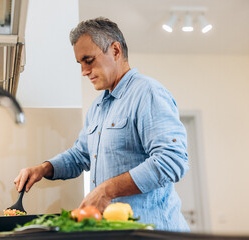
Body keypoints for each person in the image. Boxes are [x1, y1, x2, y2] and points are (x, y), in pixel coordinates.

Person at [14, 17, 189, 231]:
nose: (84, 71)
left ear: (115, 50)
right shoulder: (98, 107)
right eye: (80, 64)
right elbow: (80, 156)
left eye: (88, 60)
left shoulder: (148, 93)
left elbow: (172, 160)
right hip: (116, 232)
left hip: (154, 231)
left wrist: (107, 189)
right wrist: (43, 168)